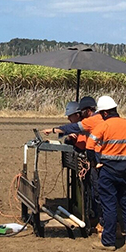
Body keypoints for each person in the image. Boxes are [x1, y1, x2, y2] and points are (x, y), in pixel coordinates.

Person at [85, 95, 126, 250]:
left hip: (107, 171)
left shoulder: (103, 126)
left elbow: (89, 146)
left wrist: (94, 163)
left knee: (109, 206)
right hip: (125, 172)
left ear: (105, 113)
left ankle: (108, 242)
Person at [43, 96, 105, 231]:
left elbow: (76, 134)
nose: (68, 118)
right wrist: (70, 139)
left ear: (84, 111)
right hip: (95, 161)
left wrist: (54, 130)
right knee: (92, 192)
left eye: (71, 115)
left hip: (97, 161)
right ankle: (96, 218)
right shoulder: (91, 122)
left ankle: (103, 222)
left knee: (97, 193)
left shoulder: (90, 122)